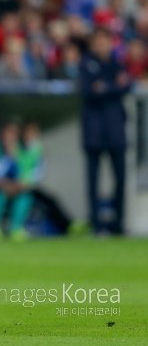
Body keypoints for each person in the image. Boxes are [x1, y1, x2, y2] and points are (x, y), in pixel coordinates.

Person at [79, 28, 131, 235]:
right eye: (98, 41)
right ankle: (95, 222)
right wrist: (113, 86)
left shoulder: (117, 63)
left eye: (105, 41)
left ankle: (118, 223)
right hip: (93, 132)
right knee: (93, 180)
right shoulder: (86, 63)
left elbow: (126, 86)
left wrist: (104, 87)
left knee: (120, 179)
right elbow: (88, 90)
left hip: (116, 130)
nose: (101, 45)